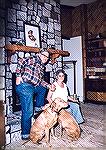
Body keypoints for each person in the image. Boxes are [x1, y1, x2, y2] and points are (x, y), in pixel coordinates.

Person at [16, 50, 55, 140]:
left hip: (33, 86)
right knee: (28, 111)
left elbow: (41, 82)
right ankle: (25, 134)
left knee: (43, 88)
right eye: (44, 55)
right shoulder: (34, 58)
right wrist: (18, 76)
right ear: (39, 54)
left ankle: (38, 106)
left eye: (47, 57)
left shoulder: (42, 67)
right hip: (25, 86)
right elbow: (21, 61)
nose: (46, 58)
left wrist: (50, 86)